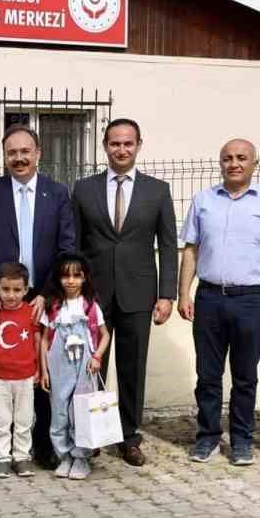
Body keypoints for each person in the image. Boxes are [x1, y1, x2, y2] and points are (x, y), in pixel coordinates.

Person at [178, 138, 260, 466]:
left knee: (245, 376)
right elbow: (191, 250)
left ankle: (242, 440)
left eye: (242, 158)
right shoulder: (203, 200)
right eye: (227, 158)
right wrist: (183, 293)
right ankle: (207, 437)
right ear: (220, 163)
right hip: (210, 298)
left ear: (255, 163)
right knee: (208, 375)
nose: (234, 163)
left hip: (251, 301)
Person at [0, 126, 77, 467]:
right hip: (3, 295)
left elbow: (66, 247)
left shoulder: (57, 194)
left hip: (42, 294)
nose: (19, 158)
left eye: (25, 151)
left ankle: (41, 444)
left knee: (40, 368)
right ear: (4, 156)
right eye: (12, 152)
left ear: (38, 153)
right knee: (2, 369)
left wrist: (47, 294)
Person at [72, 119, 177, 467]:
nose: (121, 149)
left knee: (133, 367)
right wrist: (74, 292)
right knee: (91, 366)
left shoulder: (157, 190)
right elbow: (74, 244)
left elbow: (168, 244)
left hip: (138, 293)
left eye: (128, 144)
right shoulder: (84, 189)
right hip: (94, 295)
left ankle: (129, 436)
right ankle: (93, 433)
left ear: (138, 145)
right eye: (115, 143)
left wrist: (167, 294)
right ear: (104, 145)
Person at [39, 254, 110, 482]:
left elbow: (105, 335)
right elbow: (44, 340)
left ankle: (81, 458)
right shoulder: (53, 307)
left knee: (79, 411)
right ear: (58, 279)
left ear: (84, 278)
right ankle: (64, 456)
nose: (71, 281)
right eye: (65, 276)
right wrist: (44, 370)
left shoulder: (90, 307)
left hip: (84, 367)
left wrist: (97, 356)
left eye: (76, 276)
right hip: (58, 364)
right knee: (59, 411)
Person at [0, 262, 38, 477]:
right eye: (6, 289)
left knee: (24, 419)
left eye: (16, 290)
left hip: (25, 375)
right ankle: (2, 457)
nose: (11, 295)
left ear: (26, 290)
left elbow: (37, 339)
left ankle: (21, 457)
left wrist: (39, 368)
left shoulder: (31, 312)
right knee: (2, 419)